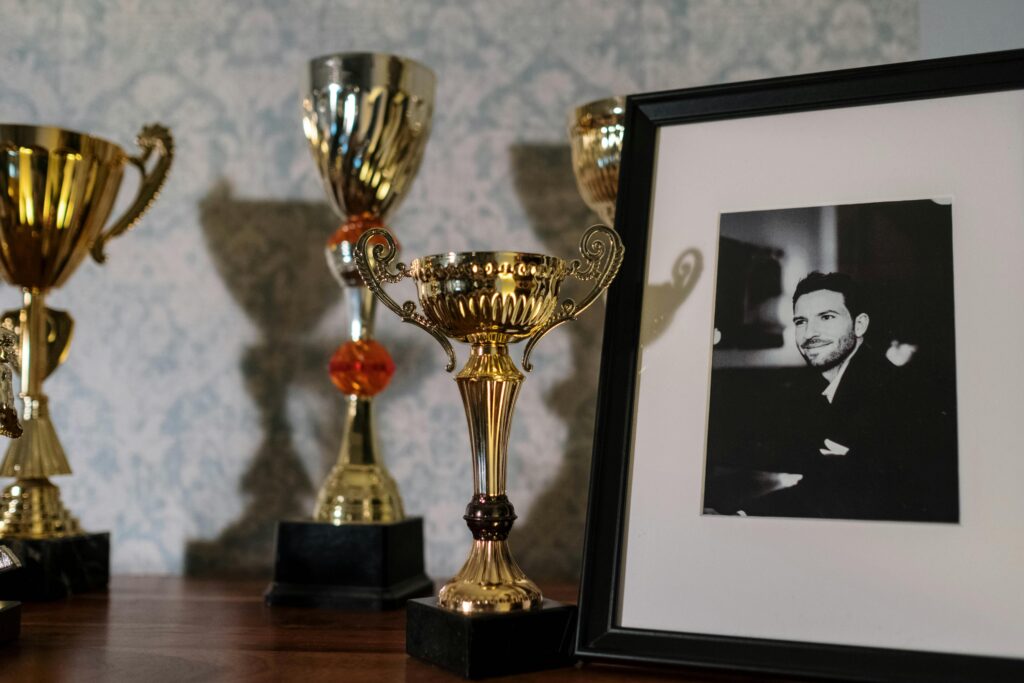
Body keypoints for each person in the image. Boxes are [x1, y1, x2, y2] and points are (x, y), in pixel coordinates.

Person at [738, 272, 958, 522]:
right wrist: (741, 515)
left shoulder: (897, 393)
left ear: (860, 324)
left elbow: (880, 503)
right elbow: (819, 490)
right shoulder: (826, 388)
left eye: (827, 317)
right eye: (801, 321)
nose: (810, 333)